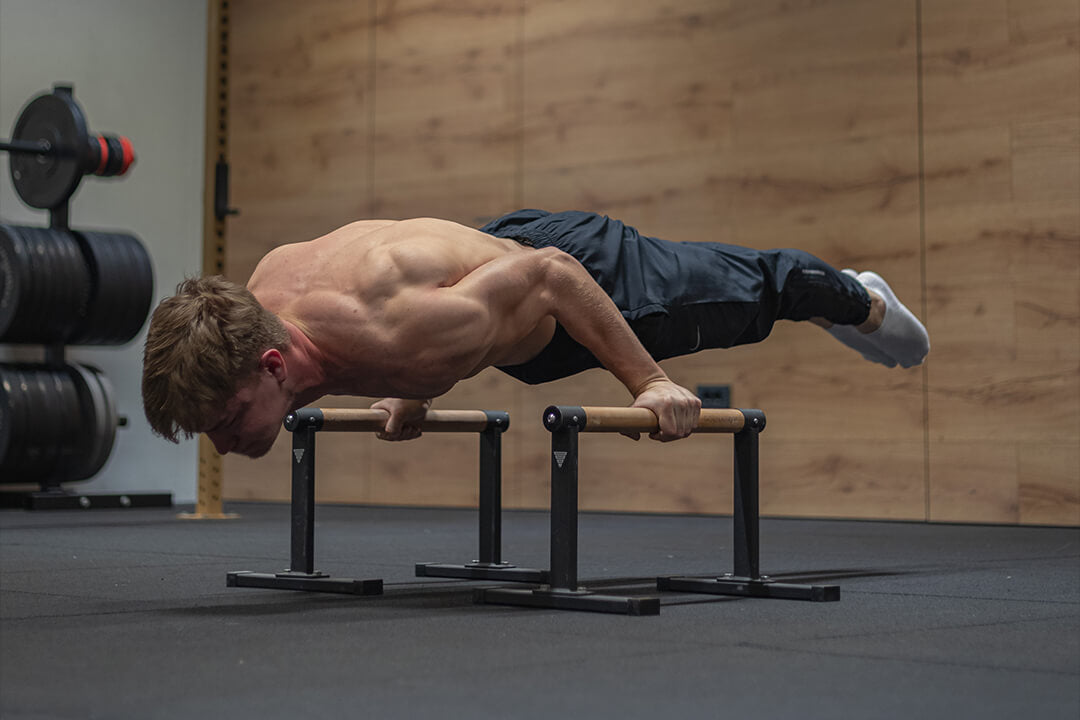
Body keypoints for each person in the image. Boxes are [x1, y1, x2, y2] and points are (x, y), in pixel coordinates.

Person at [141, 209, 929, 457]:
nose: (221, 443)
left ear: (271, 364)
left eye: (222, 421)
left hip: (577, 280)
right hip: (488, 269)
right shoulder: (261, 295)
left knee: (759, 293)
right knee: (444, 336)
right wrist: (408, 390)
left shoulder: (402, 332)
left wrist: (648, 383)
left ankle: (856, 299)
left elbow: (550, 274)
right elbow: (393, 347)